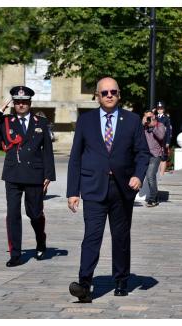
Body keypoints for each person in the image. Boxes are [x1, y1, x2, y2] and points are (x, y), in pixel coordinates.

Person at [66, 77, 150, 303]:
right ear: (97, 96)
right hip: (93, 188)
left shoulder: (132, 120)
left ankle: (121, 280)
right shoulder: (86, 121)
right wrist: (73, 191)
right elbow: (75, 157)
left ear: (119, 94)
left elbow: (142, 153)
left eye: (113, 91)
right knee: (91, 236)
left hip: (122, 189)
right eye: (105, 93)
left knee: (121, 237)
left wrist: (138, 176)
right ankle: (84, 284)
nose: (109, 95)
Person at [0, 86, 56, 267]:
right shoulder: (6, 121)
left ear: (30, 103)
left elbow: (47, 150)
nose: (21, 104)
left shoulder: (41, 122)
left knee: (35, 213)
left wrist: (49, 175)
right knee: (13, 214)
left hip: (35, 174)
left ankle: (41, 241)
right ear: (13, 103)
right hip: (13, 174)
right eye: (17, 102)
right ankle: (15, 253)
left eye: (24, 102)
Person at [143, 110, 166, 207]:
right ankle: (154, 196)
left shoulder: (159, 125)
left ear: (154, 116)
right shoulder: (143, 127)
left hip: (155, 155)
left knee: (150, 175)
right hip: (144, 155)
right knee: (149, 176)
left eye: (150, 117)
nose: (149, 119)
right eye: (146, 117)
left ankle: (153, 199)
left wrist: (153, 126)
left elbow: (161, 136)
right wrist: (141, 124)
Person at [155, 102, 171, 176]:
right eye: (158, 108)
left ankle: (161, 174)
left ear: (163, 109)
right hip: (155, 140)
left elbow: (168, 130)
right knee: (156, 156)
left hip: (163, 140)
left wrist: (168, 141)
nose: (159, 110)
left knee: (163, 157)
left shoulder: (166, 118)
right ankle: (156, 173)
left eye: (161, 109)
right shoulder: (154, 117)